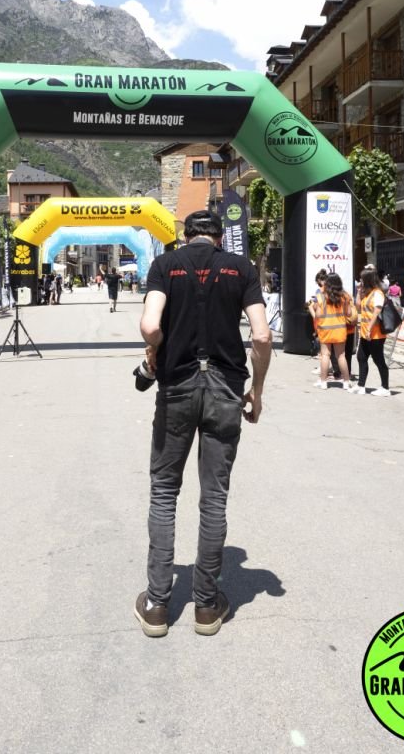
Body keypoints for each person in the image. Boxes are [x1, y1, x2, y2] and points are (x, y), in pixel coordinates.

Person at [134, 210, 271, 638]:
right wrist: (257, 391)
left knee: (164, 492)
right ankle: (207, 607)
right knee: (214, 499)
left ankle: (157, 604)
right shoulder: (241, 268)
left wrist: (156, 348)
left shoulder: (165, 265)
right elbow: (262, 336)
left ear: (186, 236)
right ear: (218, 238)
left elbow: (150, 325)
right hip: (226, 389)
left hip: (176, 387)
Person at [308, 272, 356, 390]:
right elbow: (349, 313)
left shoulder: (321, 297)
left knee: (325, 355)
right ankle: (346, 381)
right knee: (341, 356)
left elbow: (318, 315)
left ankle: (323, 382)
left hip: (325, 330)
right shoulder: (345, 296)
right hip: (340, 330)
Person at [353, 267, 391, 396]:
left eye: (362, 279)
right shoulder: (367, 293)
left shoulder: (377, 293)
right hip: (365, 332)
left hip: (375, 334)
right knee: (361, 357)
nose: (360, 281)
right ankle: (361, 385)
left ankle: (385, 388)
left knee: (378, 360)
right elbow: (358, 306)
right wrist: (359, 292)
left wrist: (369, 328)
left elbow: (376, 312)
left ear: (368, 279)